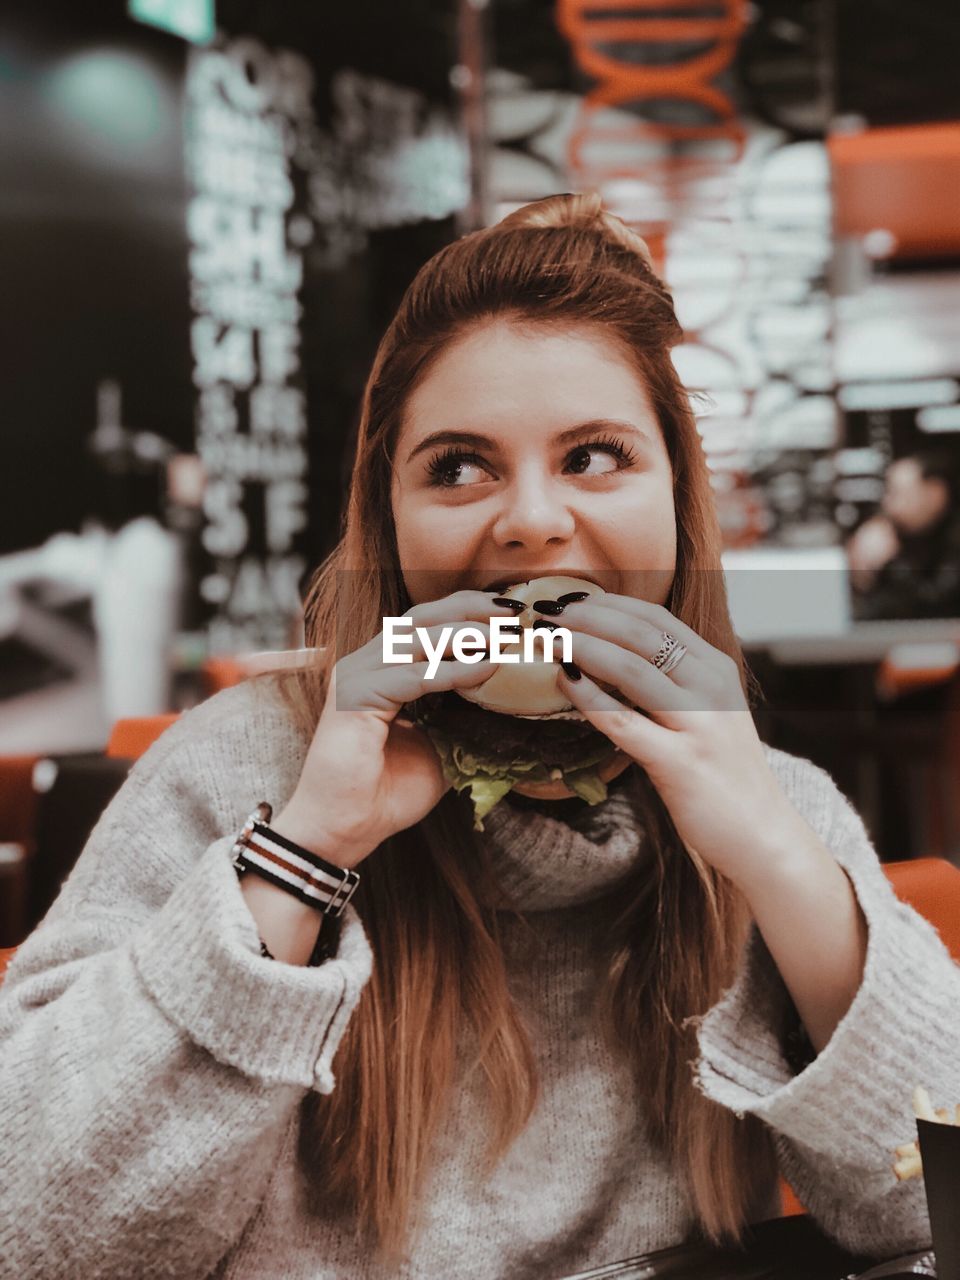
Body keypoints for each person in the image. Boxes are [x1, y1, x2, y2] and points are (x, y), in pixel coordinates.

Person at [2, 194, 959, 1280]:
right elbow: (29, 1237)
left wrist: (778, 855)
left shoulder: (770, 799)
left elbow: (929, 1212)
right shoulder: (239, 770)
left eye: (595, 456)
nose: (532, 521)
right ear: (392, 522)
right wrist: (308, 849)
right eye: (458, 466)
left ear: (681, 508)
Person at [848, 451, 960, 620]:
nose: (888, 504)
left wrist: (889, 563)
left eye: (897, 493)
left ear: (935, 494)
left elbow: (937, 606)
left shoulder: (953, 537)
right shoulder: (897, 533)